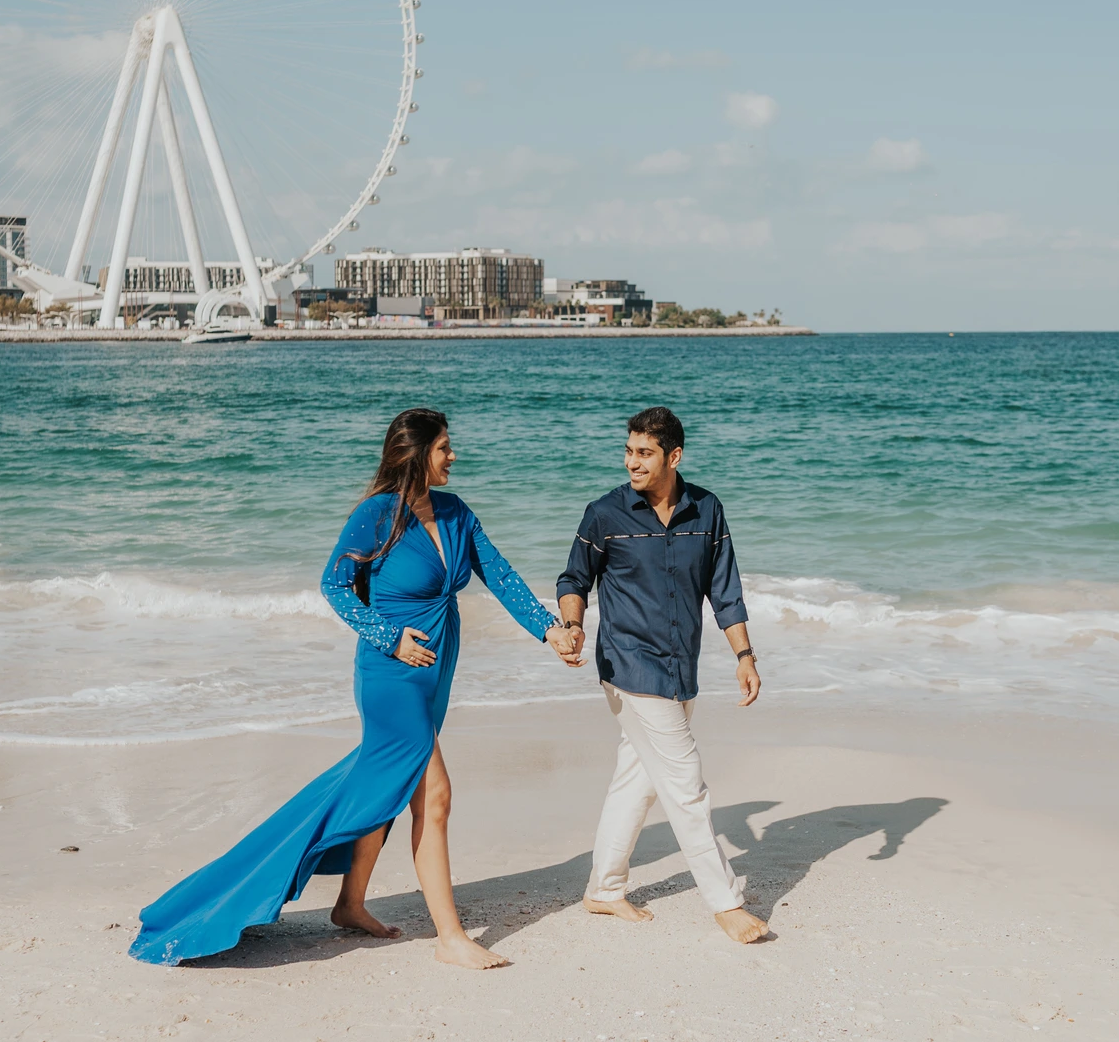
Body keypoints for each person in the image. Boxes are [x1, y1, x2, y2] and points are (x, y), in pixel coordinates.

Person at [130, 408, 584, 968]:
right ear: (417, 455)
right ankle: (450, 938)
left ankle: (349, 903)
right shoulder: (376, 516)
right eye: (444, 448)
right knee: (434, 795)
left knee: (389, 787)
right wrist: (390, 637)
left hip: (435, 674)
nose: (453, 456)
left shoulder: (456, 512)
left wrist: (550, 630)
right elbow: (335, 585)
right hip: (390, 673)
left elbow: (502, 574)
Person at [555, 406, 770, 944]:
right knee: (686, 785)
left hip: (680, 665)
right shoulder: (605, 514)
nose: (632, 462)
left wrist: (745, 656)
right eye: (628, 451)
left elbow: (725, 589)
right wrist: (573, 624)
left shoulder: (707, 510)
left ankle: (603, 890)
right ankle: (725, 903)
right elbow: (573, 577)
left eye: (644, 453)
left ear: (673, 456)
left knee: (638, 779)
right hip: (627, 665)